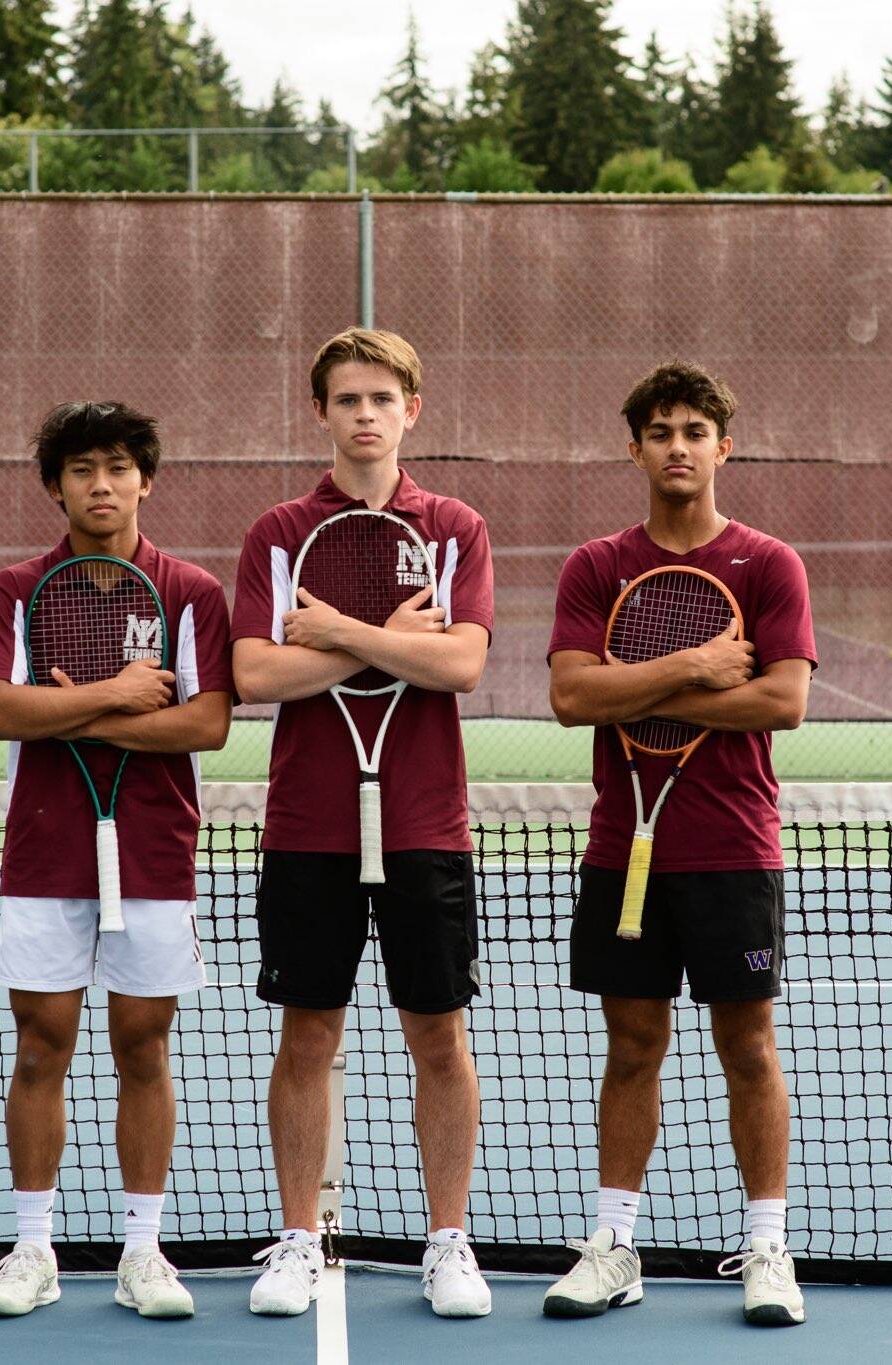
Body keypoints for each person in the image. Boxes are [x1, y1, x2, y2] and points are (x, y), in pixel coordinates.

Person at [544, 361, 815, 1326]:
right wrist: (694, 666)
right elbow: (573, 696)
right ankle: (615, 1242)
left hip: (736, 849)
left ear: (722, 447)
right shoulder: (596, 566)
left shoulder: (770, 564)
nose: (677, 447)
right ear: (635, 448)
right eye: (659, 431)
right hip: (625, 851)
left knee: (748, 1044)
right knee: (633, 1044)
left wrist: (638, 682)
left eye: (695, 431)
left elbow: (782, 699)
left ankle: (769, 1245)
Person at [231, 328, 495, 1319]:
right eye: (346, 399)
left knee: (438, 1033)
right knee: (308, 1033)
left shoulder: (456, 527)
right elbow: (257, 675)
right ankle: (299, 1241)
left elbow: (460, 664)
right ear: (322, 413)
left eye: (382, 398)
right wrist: (388, 641)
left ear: (410, 410)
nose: (365, 415)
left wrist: (332, 633)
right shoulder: (276, 533)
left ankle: (447, 1241)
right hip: (307, 823)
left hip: (426, 819)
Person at [0, 401, 234, 1320]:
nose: (102, 483)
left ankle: (142, 1250)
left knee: (142, 1046)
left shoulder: (190, 592)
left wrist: (84, 707)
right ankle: (33, 1248)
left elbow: (206, 722)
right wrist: (127, 696)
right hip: (44, 851)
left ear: (145, 479)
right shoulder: (13, 592)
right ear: (56, 486)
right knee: (41, 1045)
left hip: (156, 852)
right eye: (82, 469)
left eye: (119, 466)